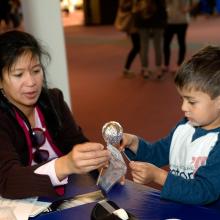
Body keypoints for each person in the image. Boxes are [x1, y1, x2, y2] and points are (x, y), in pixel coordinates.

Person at [0, 30, 110, 199]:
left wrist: (101, 165)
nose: (31, 82)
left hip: (69, 197)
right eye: (18, 74)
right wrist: (64, 164)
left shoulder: (53, 100)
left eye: (36, 71)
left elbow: (76, 144)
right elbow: (8, 180)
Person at [119, 45, 220, 204]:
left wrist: (159, 176)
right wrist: (133, 143)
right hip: (180, 207)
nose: (183, 107)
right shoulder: (186, 125)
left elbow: (204, 191)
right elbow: (158, 152)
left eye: (192, 102)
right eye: (182, 99)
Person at [163, 0, 199, 74]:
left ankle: (179, 64)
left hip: (182, 21)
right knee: (166, 43)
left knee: (181, 42)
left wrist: (188, 9)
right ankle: (166, 64)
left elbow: (196, 1)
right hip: (170, 21)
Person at [135, 0, 167, 79]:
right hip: (158, 22)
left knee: (144, 46)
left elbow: (137, 8)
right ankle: (158, 69)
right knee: (158, 46)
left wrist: (136, 23)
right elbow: (163, 8)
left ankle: (145, 69)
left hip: (143, 23)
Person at [117, 0, 141, 78]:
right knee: (137, 47)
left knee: (139, 47)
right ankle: (126, 68)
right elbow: (124, 7)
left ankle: (144, 67)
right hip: (133, 26)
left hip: (135, 25)